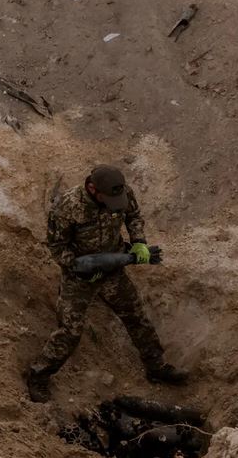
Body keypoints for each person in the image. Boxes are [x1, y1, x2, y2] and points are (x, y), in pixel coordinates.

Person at [26, 165, 188, 403]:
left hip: (113, 270)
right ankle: (38, 376)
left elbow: (133, 215)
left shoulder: (121, 192)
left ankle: (157, 367)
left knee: (137, 317)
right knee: (70, 331)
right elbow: (57, 247)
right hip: (80, 278)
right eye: (109, 199)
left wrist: (139, 241)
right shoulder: (68, 207)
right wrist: (78, 268)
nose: (115, 202)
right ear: (93, 188)